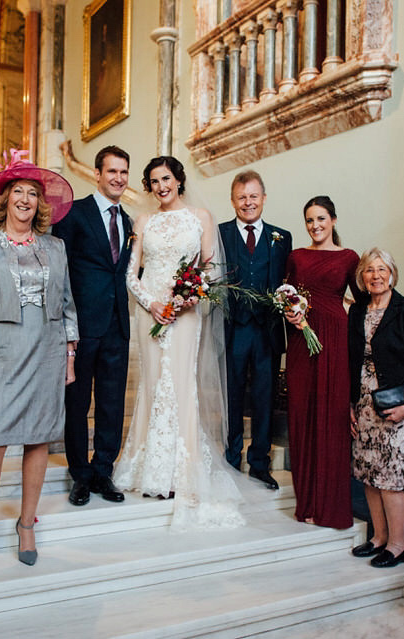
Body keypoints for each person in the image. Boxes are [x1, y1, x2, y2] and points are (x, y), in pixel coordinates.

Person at [0, 152, 78, 579]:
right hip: (3, 355)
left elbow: (67, 306)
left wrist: (68, 358)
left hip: (47, 352)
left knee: (39, 441)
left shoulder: (55, 246)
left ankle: (27, 523)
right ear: (4, 200)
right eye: (18, 192)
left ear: (40, 205)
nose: (26, 199)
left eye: (33, 193)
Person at [114, 156, 244, 530]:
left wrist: (191, 297)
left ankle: (180, 470)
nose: (160, 186)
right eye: (153, 181)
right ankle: (148, 465)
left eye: (166, 178)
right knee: (154, 384)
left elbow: (210, 268)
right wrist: (151, 303)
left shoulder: (201, 217)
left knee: (180, 383)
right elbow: (129, 271)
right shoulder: (143, 221)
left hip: (186, 314)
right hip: (150, 309)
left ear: (178, 180)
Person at [53, 146, 132, 507]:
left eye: (123, 172)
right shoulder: (74, 214)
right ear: (97, 174)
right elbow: (60, 271)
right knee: (77, 402)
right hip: (82, 326)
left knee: (112, 404)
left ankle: (103, 471)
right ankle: (80, 475)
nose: (118, 178)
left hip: (118, 325)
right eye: (112, 171)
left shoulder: (130, 222)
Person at [348, 247, 404, 568]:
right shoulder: (357, 312)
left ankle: (398, 544)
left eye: (382, 269)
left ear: (392, 273)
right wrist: (349, 406)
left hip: (396, 406)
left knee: (391, 479)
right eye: (370, 270)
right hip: (364, 405)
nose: (376, 275)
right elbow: (351, 361)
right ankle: (378, 537)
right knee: (369, 475)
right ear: (362, 277)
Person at [284, 195, 360, 529]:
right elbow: (286, 295)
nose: (315, 226)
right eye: (310, 221)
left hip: (334, 340)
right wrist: (291, 313)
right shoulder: (296, 256)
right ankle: (307, 503)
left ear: (333, 220)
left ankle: (330, 505)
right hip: (302, 340)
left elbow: (361, 305)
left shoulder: (349, 257)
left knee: (331, 416)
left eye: (321, 219)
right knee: (302, 414)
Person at [218, 171, 292, 489]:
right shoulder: (220, 233)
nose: (248, 202)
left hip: (267, 332)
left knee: (264, 398)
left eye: (253, 196)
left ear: (263, 198)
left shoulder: (282, 237)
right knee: (232, 396)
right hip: (232, 329)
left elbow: (287, 281)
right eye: (241, 197)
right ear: (233, 201)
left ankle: (260, 463)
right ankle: (232, 458)